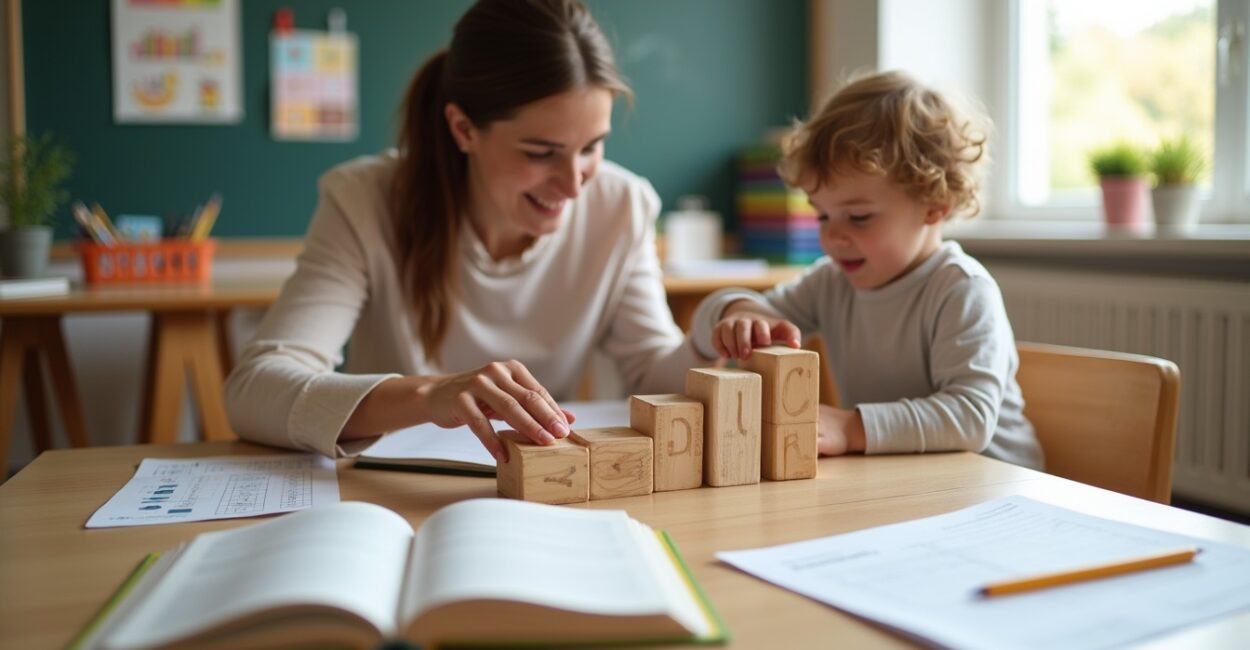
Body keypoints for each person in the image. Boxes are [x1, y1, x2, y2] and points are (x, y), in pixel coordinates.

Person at [226, 0, 705, 462]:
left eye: (592, 147)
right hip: (390, 494)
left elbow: (652, 374)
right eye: (541, 153)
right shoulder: (364, 201)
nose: (574, 183)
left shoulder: (623, 205)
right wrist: (431, 396)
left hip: (540, 487)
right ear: (463, 128)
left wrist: (712, 337)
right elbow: (254, 391)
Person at [690, 71, 1043, 469]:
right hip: (901, 482)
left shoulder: (962, 289)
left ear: (934, 204)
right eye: (822, 215)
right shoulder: (832, 281)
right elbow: (721, 323)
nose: (833, 236)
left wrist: (851, 428)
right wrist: (736, 313)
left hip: (992, 489)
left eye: (858, 217)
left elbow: (970, 419)